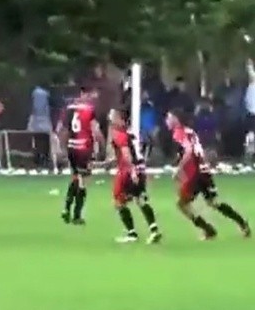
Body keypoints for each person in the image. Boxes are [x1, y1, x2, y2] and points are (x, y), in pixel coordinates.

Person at [167, 109, 250, 240]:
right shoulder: (190, 132)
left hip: (194, 173)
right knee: (213, 202)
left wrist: (180, 169)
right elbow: (196, 151)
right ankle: (242, 223)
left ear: (176, 120)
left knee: (182, 205)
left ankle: (208, 230)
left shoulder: (178, 133)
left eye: (169, 117)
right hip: (203, 170)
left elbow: (189, 151)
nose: (167, 120)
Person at [101, 108, 161, 244]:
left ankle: (131, 233)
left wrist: (132, 171)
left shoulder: (119, 134)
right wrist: (105, 163)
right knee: (140, 200)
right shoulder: (130, 134)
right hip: (139, 168)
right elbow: (127, 154)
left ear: (120, 119)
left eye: (113, 116)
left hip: (128, 171)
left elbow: (127, 155)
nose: (110, 119)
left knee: (119, 201)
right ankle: (154, 230)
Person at [57, 87, 104, 225]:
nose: (91, 97)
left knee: (75, 177)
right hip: (84, 149)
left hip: (72, 147)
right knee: (84, 181)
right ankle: (77, 215)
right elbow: (95, 130)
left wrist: (62, 147)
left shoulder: (69, 108)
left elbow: (61, 129)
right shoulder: (89, 110)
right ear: (84, 94)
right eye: (90, 94)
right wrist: (102, 145)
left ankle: (66, 208)